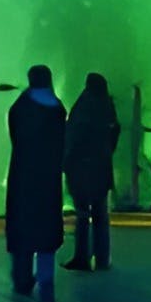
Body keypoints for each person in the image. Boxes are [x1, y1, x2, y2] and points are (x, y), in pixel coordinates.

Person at [5, 65, 66, 300]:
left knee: (22, 226)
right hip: (49, 178)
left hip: (23, 176)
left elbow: (15, 136)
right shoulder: (58, 108)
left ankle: (22, 279)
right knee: (47, 227)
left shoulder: (21, 107)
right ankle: (46, 277)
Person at [62, 73, 120, 272]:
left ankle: (82, 257)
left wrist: (67, 162)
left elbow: (74, 136)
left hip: (82, 168)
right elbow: (114, 133)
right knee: (101, 214)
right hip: (102, 168)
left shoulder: (84, 106)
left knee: (82, 214)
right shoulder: (107, 106)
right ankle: (103, 258)